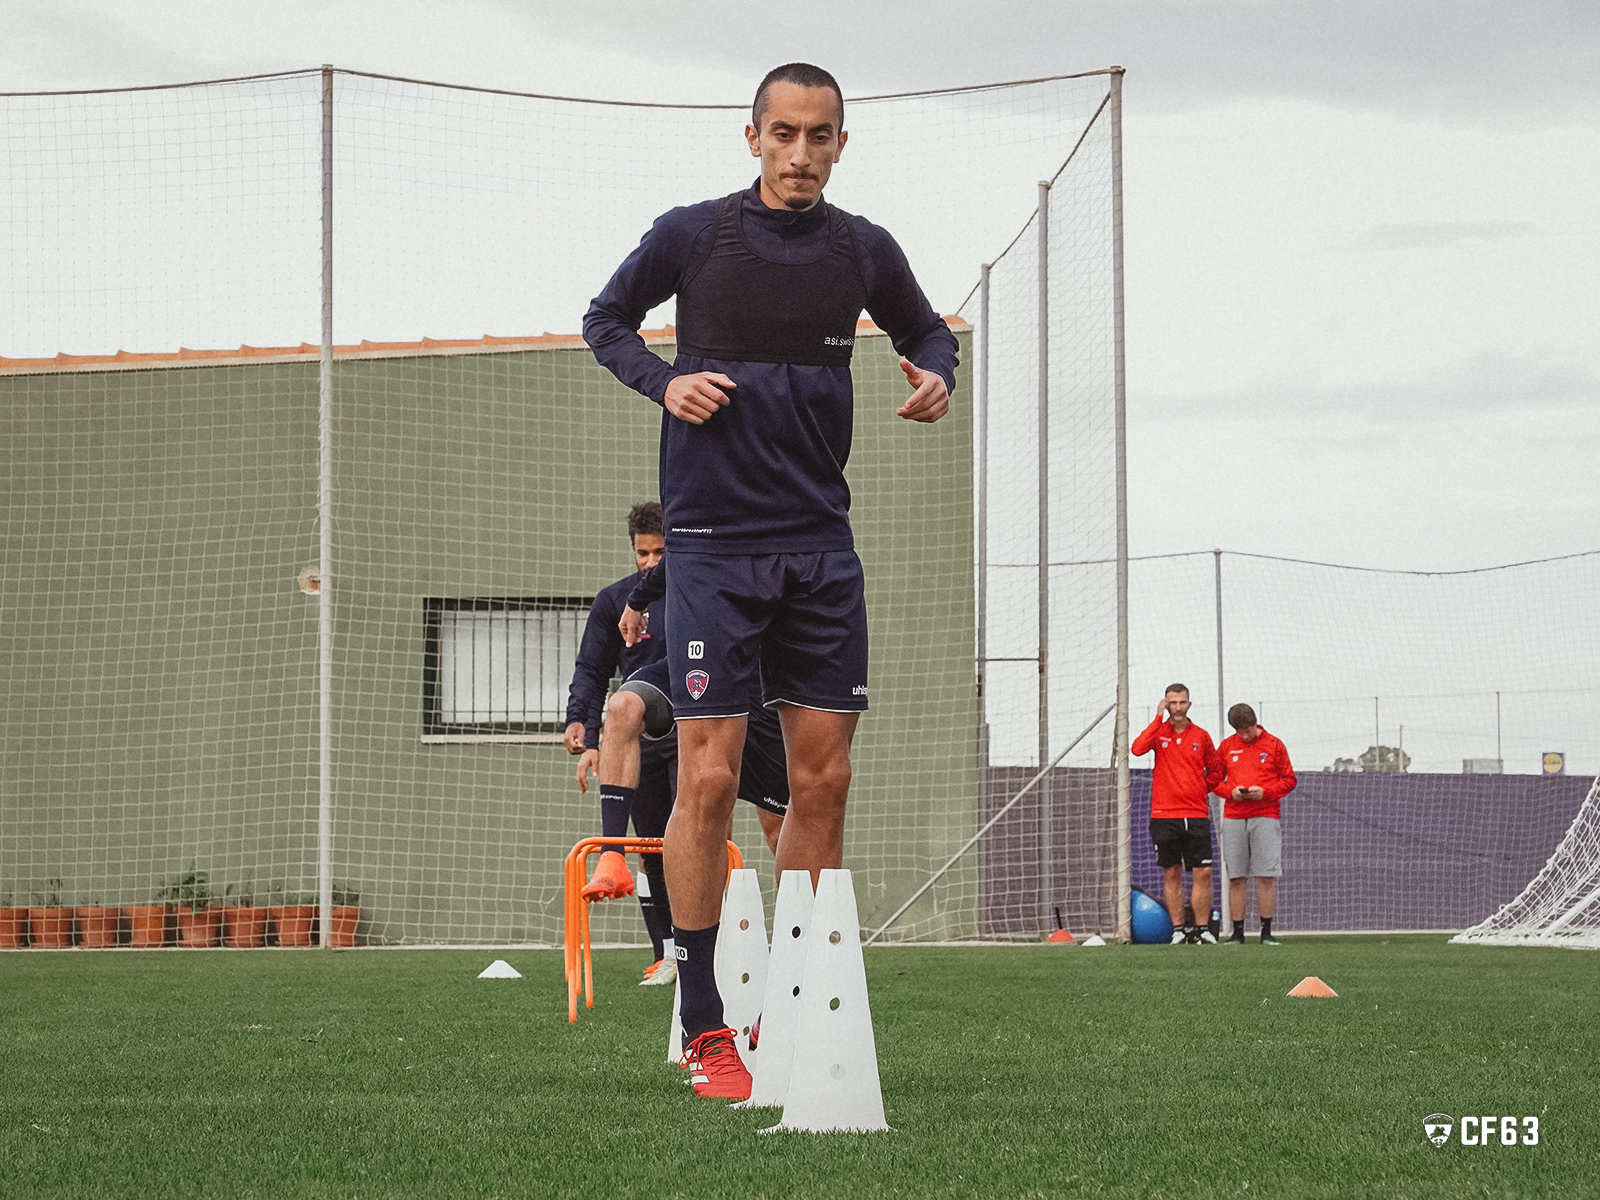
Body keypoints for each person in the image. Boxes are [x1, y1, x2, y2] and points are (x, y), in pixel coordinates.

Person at [584, 61, 956, 1100]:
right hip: (710, 543)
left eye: (820, 136)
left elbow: (927, 329)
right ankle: (705, 1021)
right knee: (704, 778)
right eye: (784, 134)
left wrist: (938, 375)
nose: (801, 153)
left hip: (819, 543)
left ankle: (791, 999)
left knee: (820, 783)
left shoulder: (861, 250)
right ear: (750, 136)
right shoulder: (692, 236)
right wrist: (665, 380)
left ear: (841, 143)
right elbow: (605, 317)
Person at [562, 501, 674, 978]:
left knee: (699, 840)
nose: (650, 562)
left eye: (660, 552)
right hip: (639, 734)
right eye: (642, 552)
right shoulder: (615, 602)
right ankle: (667, 954)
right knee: (650, 851)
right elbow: (593, 669)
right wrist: (584, 729)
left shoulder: (691, 592)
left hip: (691, 728)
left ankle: (712, 948)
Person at [1131, 684, 1225, 944]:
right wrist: (1156, 718)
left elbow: (1217, 771)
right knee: (1171, 872)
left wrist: (1198, 789)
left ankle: (1203, 930)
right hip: (1164, 815)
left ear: (1189, 704)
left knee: (1202, 872)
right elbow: (1137, 748)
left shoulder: (1202, 736)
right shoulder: (1159, 733)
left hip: (1195, 814)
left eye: (1182, 702)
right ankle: (1178, 930)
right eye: (1173, 703)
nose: (1178, 708)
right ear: (1166, 704)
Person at [1213, 703, 1298, 945]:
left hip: (1266, 816)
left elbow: (1290, 779)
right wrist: (1231, 792)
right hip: (1234, 817)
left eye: (1247, 731)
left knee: (1266, 875)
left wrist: (1266, 792)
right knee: (1236, 876)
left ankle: (1266, 932)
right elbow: (1213, 780)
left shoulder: (1274, 745)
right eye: (1239, 732)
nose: (1244, 736)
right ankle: (1237, 933)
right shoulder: (1227, 746)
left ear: (1255, 724)